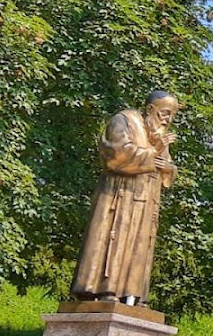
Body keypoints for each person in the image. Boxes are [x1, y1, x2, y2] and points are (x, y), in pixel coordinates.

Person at [70, 91, 179, 306]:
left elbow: (167, 167)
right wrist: (152, 154)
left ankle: (132, 295)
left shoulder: (159, 135)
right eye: (165, 113)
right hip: (119, 198)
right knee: (114, 242)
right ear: (150, 109)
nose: (168, 119)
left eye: (172, 115)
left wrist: (168, 168)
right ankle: (103, 289)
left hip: (146, 202)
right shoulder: (125, 120)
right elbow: (116, 155)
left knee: (138, 248)